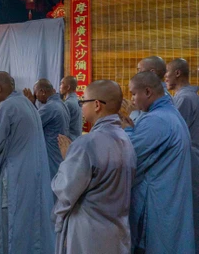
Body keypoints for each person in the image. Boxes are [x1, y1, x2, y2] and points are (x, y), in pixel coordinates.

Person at [52, 80, 136, 254]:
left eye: (83, 102)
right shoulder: (126, 139)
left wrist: (68, 160)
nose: (81, 106)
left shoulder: (87, 144)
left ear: (97, 105)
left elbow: (65, 190)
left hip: (89, 234)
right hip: (118, 231)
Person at [0, 71, 54, 254]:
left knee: (10, 224)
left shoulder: (6, 107)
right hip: (31, 175)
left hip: (14, 177)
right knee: (29, 224)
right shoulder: (26, 103)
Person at [127, 71, 195, 254]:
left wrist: (126, 129)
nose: (132, 99)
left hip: (158, 201)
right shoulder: (169, 112)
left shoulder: (156, 120)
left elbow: (129, 155)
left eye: (134, 94)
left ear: (147, 92)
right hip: (169, 195)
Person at [165, 58, 199, 251]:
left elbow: (173, 132)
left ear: (177, 73)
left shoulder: (184, 99)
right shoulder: (185, 97)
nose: (165, 77)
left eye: (167, 72)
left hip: (190, 159)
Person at [33, 79, 70, 179]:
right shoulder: (61, 104)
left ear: (42, 92)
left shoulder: (50, 107)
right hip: (59, 152)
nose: (36, 98)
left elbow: (31, 124)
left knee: (51, 182)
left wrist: (30, 104)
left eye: (36, 94)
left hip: (51, 154)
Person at [129, 56, 169, 126]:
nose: (137, 74)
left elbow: (146, 125)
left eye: (139, 70)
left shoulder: (161, 96)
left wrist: (135, 111)